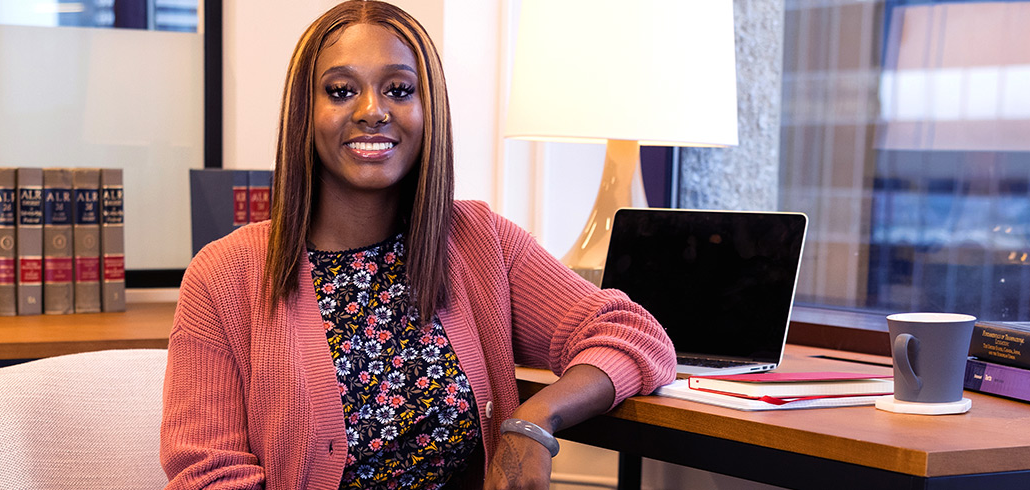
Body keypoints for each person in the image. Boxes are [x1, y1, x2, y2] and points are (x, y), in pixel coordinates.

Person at [161, 2, 676, 489]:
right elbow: (208, 474)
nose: (372, 111)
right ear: (304, 112)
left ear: (429, 110)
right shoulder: (225, 275)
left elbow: (634, 335)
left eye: (399, 90)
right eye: (341, 90)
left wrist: (534, 421)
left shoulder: (480, 241)